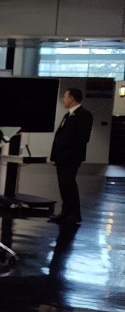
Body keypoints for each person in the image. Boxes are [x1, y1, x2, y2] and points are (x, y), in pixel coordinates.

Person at [48, 87, 93, 225]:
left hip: (71, 157)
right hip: (62, 157)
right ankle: (65, 211)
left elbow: (82, 138)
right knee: (63, 184)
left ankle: (74, 213)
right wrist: (56, 156)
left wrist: (70, 155)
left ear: (72, 98)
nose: (63, 99)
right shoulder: (68, 115)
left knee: (69, 184)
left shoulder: (84, 115)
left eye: (65, 97)